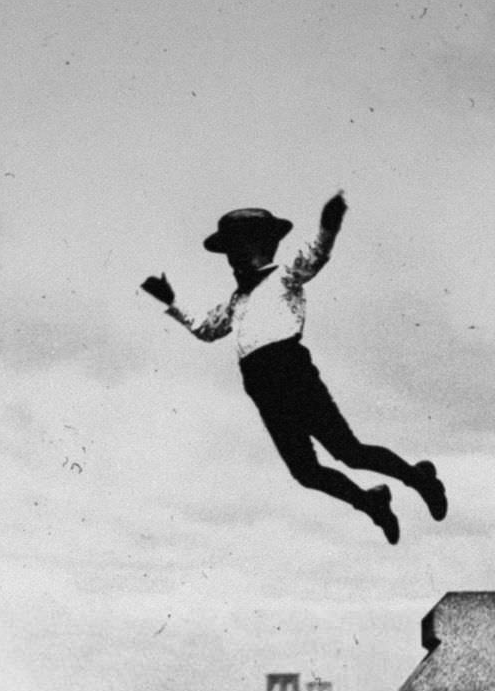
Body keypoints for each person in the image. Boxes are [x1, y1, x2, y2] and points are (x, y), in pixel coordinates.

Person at [141, 191, 446, 543]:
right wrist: (172, 302)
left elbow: (316, 254)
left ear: (265, 246)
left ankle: (419, 479)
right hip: (260, 386)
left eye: (240, 249)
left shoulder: (285, 277)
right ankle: (370, 502)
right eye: (230, 253)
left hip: (291, 373)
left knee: (348, 452)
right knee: (305, 471)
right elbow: (206, 330)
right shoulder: (237, 300)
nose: (234, 259)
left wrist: (329, 226)